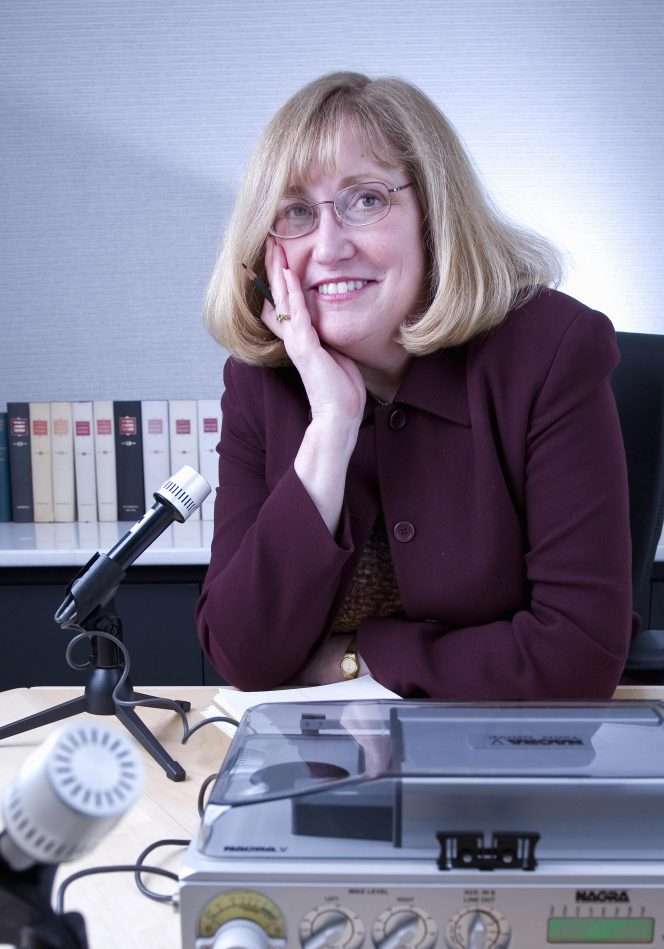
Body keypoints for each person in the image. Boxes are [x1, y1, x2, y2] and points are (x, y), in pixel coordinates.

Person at [196, 70, 635, 699]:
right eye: (295, 211)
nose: (328, 246)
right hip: (330, 770)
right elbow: (241, 654)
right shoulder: (259, 383)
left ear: (435, 214)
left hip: (511, 753)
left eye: (366, 200)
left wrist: (355, 657)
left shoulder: (551, 352)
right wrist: (332, 427)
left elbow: (578, 657)